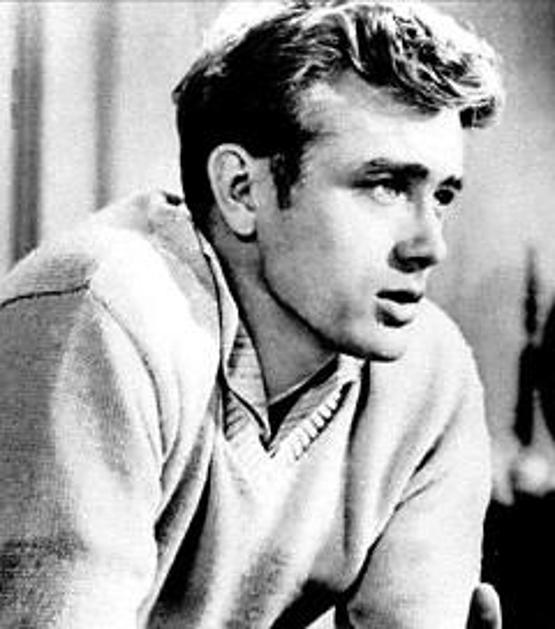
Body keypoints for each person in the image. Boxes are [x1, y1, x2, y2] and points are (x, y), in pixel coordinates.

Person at [0, 1, 504, 627]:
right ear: (242, 190)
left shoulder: (430, 372)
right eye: (385, 185)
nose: (430, 246)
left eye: (442, 195)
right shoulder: (101, 310)